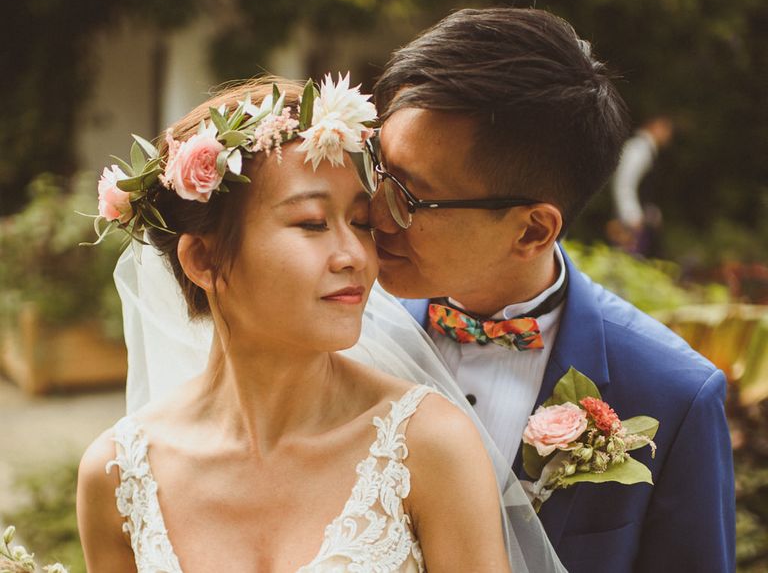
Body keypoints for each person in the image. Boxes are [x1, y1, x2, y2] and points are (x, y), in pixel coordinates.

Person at [76, 75, 559, 572]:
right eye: (311, 223)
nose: (355, 255)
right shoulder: (117, 475)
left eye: (362, 223)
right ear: (203, 258)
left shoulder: (429, 446)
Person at [369, 8, 735, 573]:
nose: (376, 212)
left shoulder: (675, 396)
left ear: (532, 230)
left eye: (412, 199)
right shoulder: (344, 328)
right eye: (378, 171)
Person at [609, 116, 675, 256]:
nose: (669, 136)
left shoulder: (646, 150)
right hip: (631, 220)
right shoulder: (638, 148)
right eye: (666, 129)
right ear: (655, 126)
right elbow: (624, 182)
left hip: (638, 219)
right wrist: (631, 215)